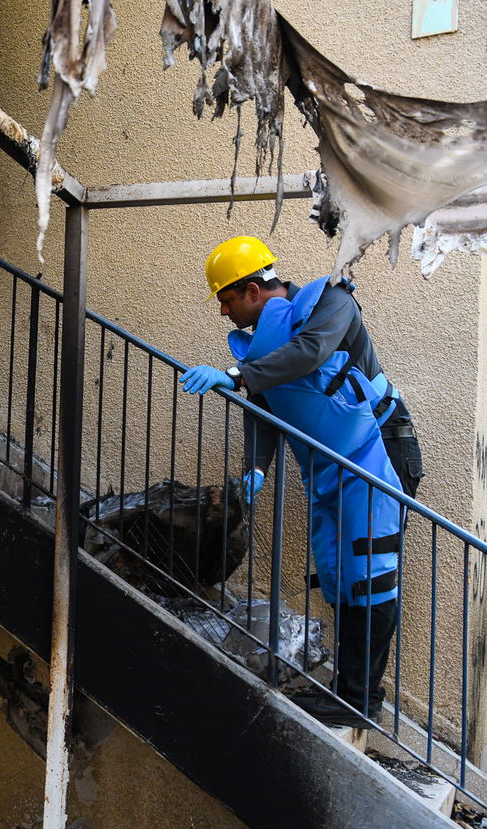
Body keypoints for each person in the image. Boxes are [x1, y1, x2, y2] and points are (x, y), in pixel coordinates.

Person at [178, 236, 425, 728]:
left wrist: (237, 375)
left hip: (383, 450)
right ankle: (347, 691)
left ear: (251, 289)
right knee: (342, 576)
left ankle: (360, 700)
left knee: (371, 576)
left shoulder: (332, 301)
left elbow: (311, 353)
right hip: (333, 468)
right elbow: (265, 410)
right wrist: (256, 468)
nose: (224, 313)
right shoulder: (257, 350)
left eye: (226, 301)